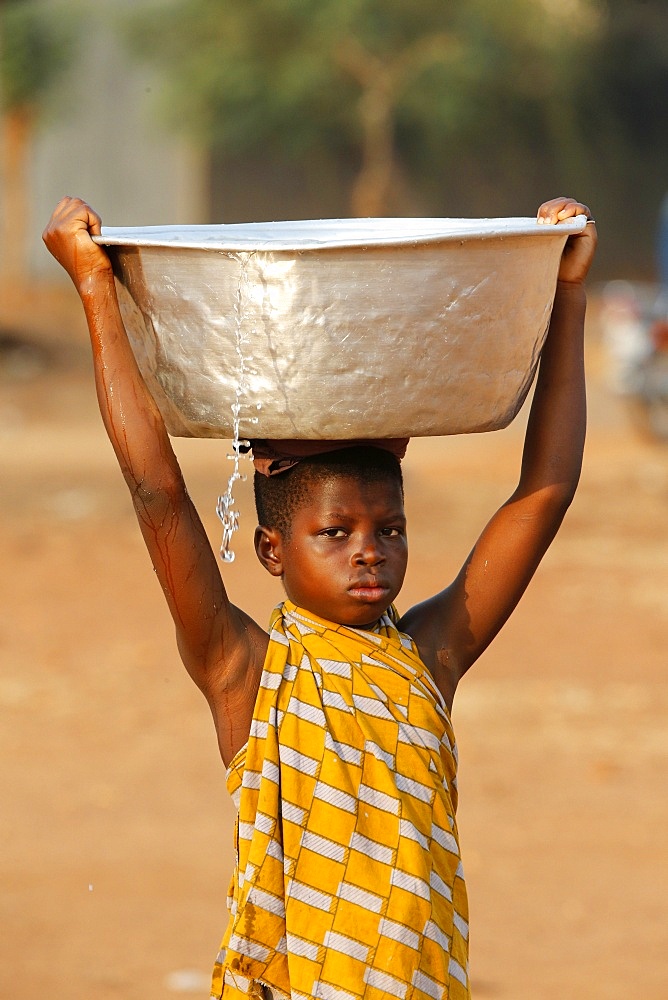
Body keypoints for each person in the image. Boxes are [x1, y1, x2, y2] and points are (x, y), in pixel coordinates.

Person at [43, 195, 597, 1000]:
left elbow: (543, 493)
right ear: (272, 550)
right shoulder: (246, 674)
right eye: (335, 533)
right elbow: (158, 492)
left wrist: (568, 290)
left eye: (390, 529)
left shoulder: (428, 656)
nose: (370, 550)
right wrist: (95, 289)